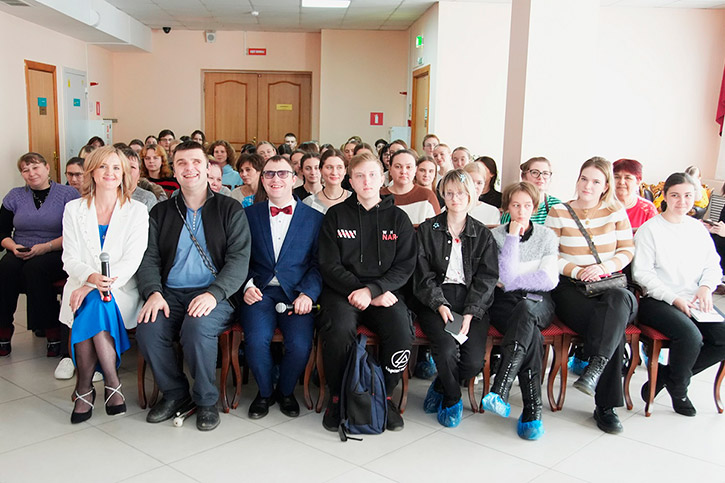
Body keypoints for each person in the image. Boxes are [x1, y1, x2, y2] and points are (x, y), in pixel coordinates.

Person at [135, 140, 251, 432]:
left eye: (196, 162)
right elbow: (148, 258)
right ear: (174, 170)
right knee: (148, 329)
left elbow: (239, 260)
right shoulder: (160, 212)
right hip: (169, 293)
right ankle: (176, 394)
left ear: (208, 167)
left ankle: (206, 399)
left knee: (197, 328)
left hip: (215, 293)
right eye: (182, 163)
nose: (189, 168)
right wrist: (153, 293)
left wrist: (214, 294)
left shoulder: (229, 208)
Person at [317, 151, 416, 432]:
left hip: (384, 292)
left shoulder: (398, 218)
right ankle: (338, 397)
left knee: (401, 331)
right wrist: (359, 290)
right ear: (350, 181)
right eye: (359, 176)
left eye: (372, 175)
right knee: (338, 330)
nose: (367, 181)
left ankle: (385, 395)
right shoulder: (336, 216)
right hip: (342, 291)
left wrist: (373, 291)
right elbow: (328, 264)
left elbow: (405, 266)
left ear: (382, 178)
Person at [545, 157, 637, 434]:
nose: (588, 185)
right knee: (612, 327)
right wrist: (577, 271)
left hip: (610, 285)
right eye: (584, 178)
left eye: (596, 181)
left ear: (606, 186)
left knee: (619, 302)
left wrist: (603, 268)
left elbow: (627, 250)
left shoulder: (615, 211)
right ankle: (606, 407)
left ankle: (595, 366)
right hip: (571, 290)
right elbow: (549, 255)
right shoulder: (559, 212)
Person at [59, 146, 149, 423]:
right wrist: (90, 279)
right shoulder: (73, 209)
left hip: (121, 288)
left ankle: (84, 389)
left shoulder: (137, 210)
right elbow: (69, 258)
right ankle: (112, 383)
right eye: (103, 167)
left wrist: (95, 285)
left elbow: (133, 260)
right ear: (92, 172)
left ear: (124, 174)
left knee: (96, 301)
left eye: (116, 167)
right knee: (95, 303)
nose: (110, 173)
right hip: (80, 284)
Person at [633, 172, 725, 416]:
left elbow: (713, 265)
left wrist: (706, 287)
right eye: (675, 195)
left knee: (723, 337)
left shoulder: (697, 229)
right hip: (658, 300)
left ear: (695, 197)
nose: (682, 201)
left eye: (687, 196)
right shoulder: (650, 230)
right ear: (664, 196)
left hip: (694, 298)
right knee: (690, 337)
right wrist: (674, 299)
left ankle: (667, 376)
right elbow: (642, 275)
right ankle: (680, 390)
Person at [240, 155, 323, 419]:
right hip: (259, 290)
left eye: (282, 173)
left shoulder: (315, 218)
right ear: (262, 180)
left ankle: (286, 392)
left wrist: (308, 293)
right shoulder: (247, 215)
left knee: (300, 345)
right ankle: (265, 393)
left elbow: (319, 264)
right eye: (269, 174)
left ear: (294, 179)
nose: (276, 179)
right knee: (255, 342)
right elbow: (237, 258)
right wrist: (247, 285)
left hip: (296, 293)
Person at [414, 169, 498, 428]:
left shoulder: (482, 234)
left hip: (472, 300)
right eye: (449, 193)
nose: (455, 198)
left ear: (471, 195)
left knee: (472, 362)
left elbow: (487, 278)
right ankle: (452, 399)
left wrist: (471, 312)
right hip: (435, 297)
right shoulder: (427, 229)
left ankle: (441, 385)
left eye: (460, 193)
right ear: (442, 194)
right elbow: (422, 274)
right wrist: (439, 304)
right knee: (447, 350)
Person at [480, 182, 558, 439]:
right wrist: (512, 238)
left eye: (527, 205)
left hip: (540, 300)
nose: (521, 211)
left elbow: (548, 279)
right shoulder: (496, 236)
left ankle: (501, 387)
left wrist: (515, 281)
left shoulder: (547, 236)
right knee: (530, 333)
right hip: (505, 303)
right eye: (515, 205)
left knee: (526, 309)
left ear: (534, 208)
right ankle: (533, 410)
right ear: (506, 208)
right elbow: (504, 277)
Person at [0, 153, 80, 357]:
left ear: (47, 168)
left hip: (56, 250)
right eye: (25, 170)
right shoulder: (14, 196)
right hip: (20, 249)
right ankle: (3, 329)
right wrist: (13, 247)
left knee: (35, 269)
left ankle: (52, 331)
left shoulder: (68, 194)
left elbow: (76, 233)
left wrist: (46, 247)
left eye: (35, 167)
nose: (31, 173)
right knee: (5, 268)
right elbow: (2, 232)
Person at [381, 149, 440, 227]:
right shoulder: (379, 196)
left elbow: (438, 227)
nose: (403, 171)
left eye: (408, 167)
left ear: (415, 170)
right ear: (390, 169)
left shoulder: (427, 196)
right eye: (398, 167)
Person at [501, 157, 561, 225]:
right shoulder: (514, 204)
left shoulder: (557, 206)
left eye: (545, 173)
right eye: (535, 172)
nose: (540, 177)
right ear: (523, 177)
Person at [302, 149, 351, 214]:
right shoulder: (309, 203)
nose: (334, 172)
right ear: (321, 170)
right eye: (329, 167)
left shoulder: (354, 199)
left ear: (345, 170)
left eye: (339, 167)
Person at [613, 159, 657, 229]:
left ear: (638, 181)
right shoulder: (601, 205)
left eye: (627, 178)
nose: (621, 182)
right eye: (617, 177)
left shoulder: (647, 209)